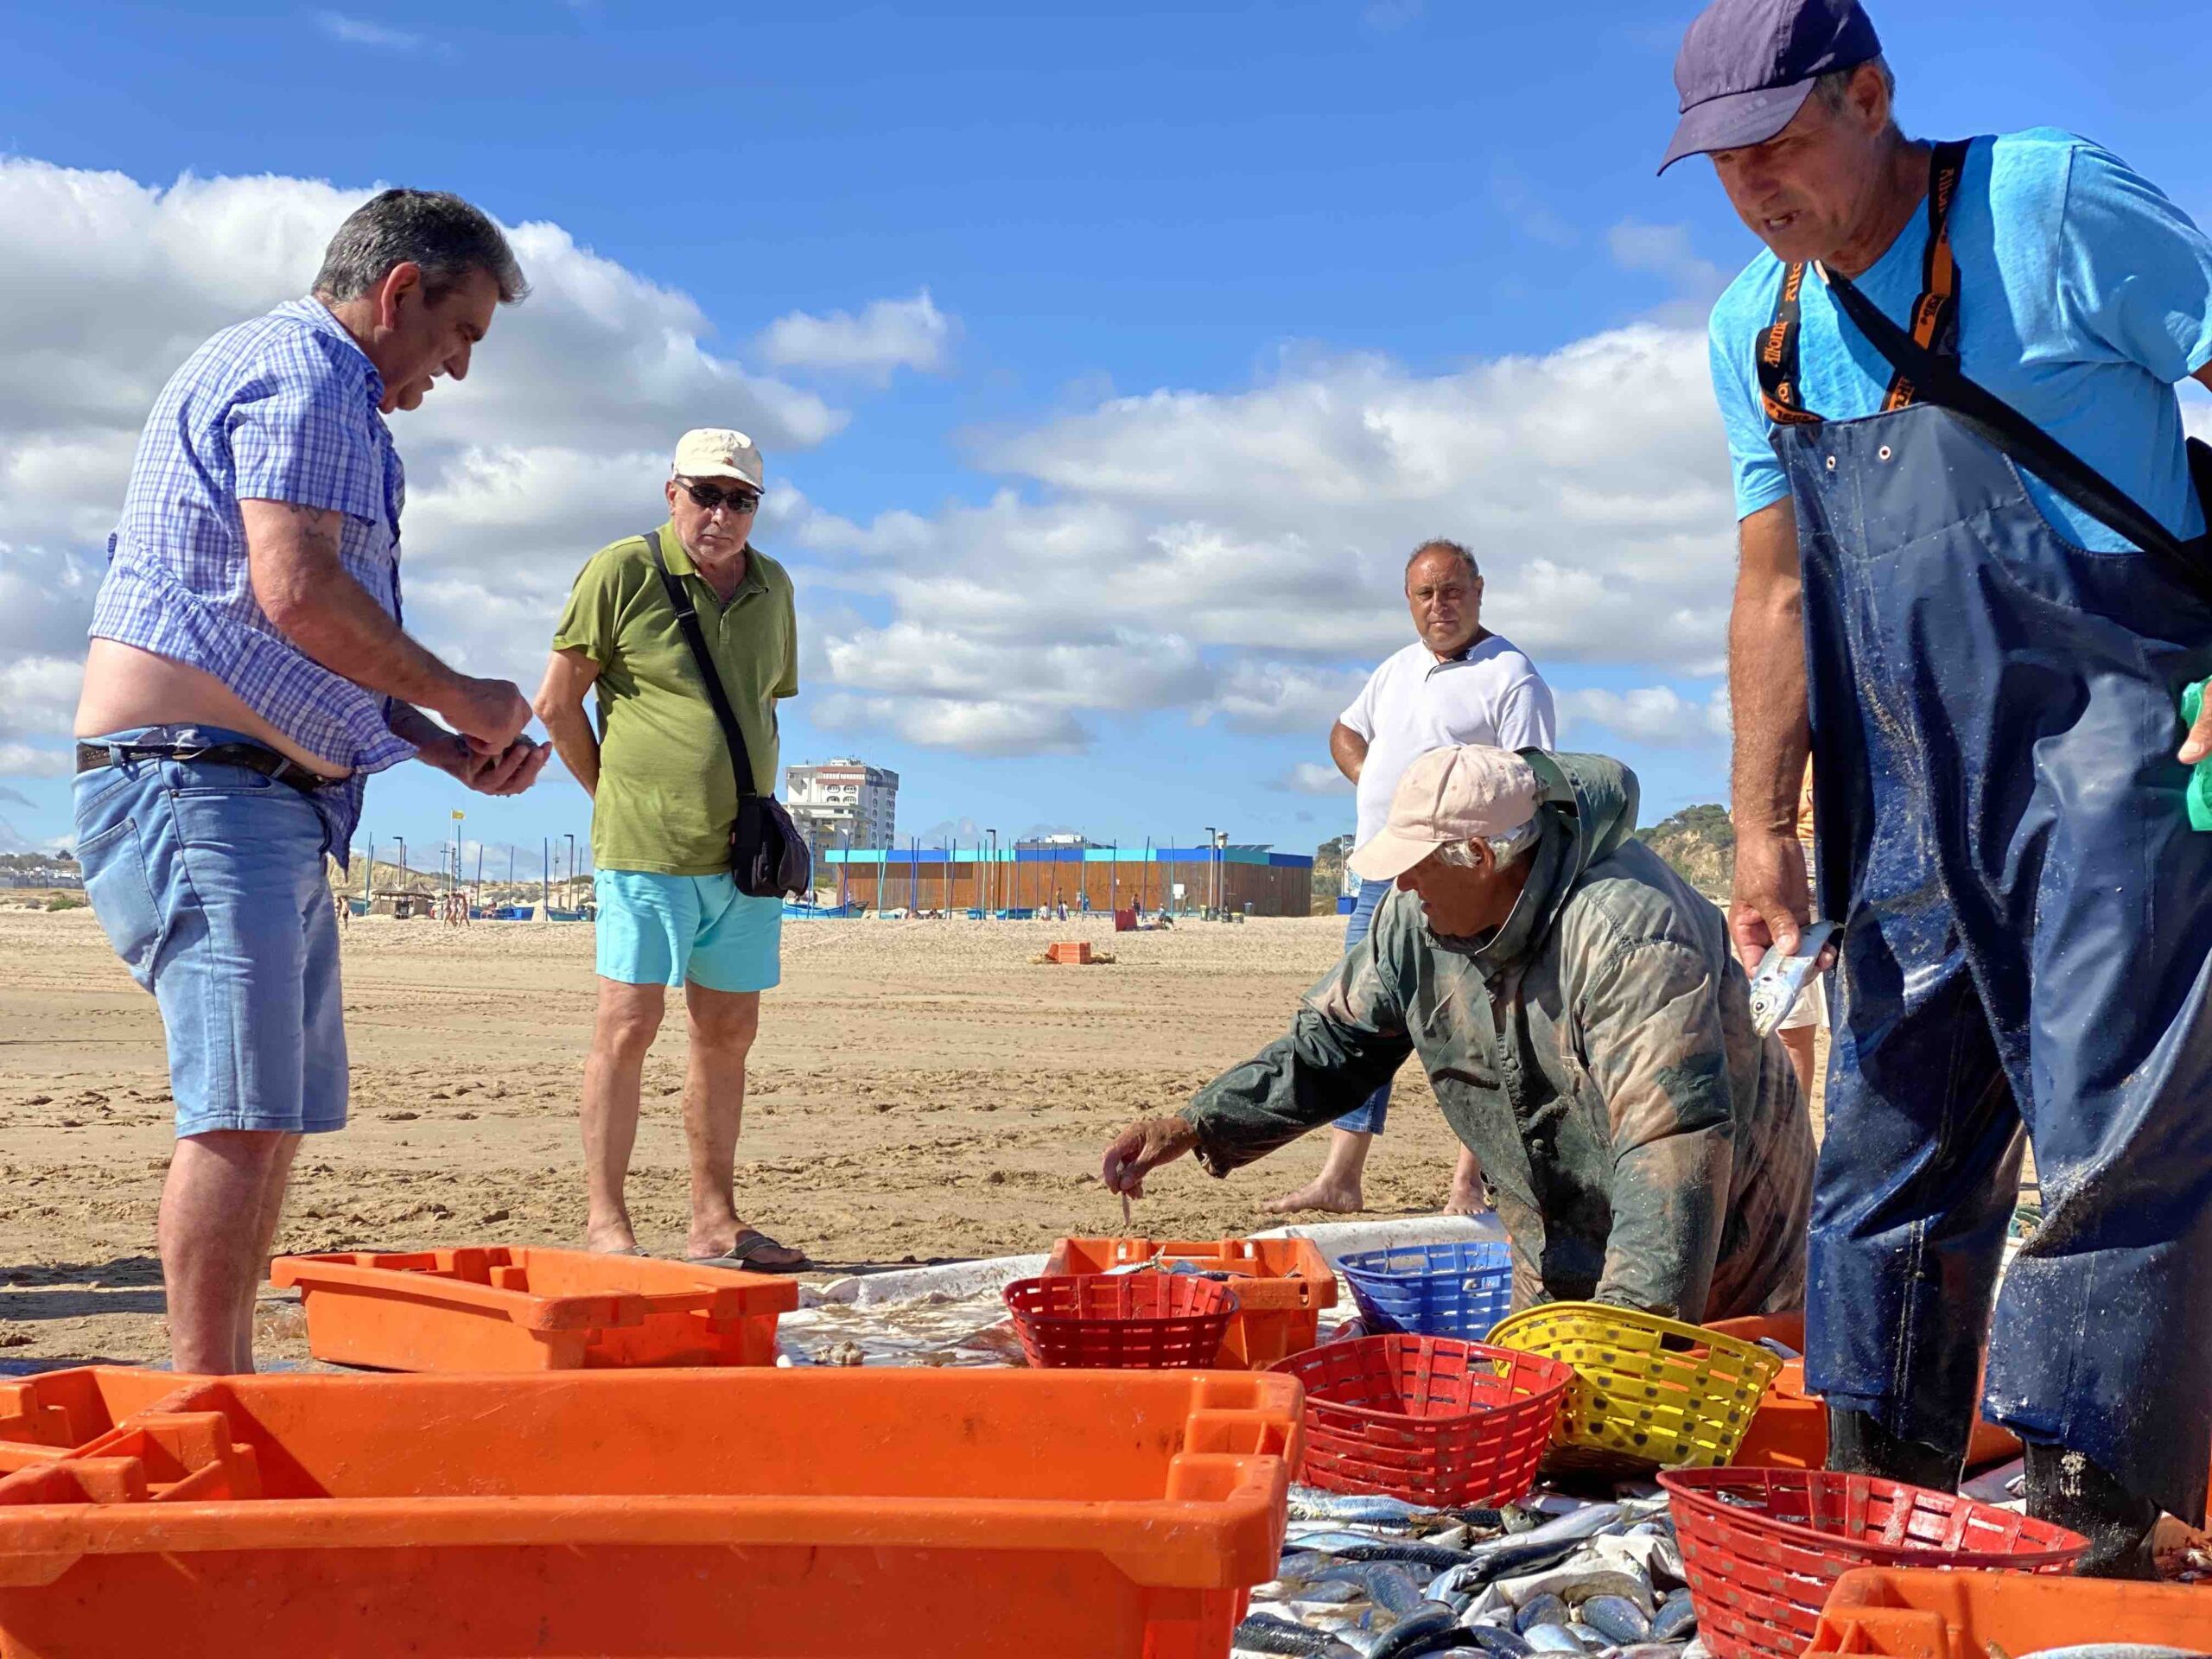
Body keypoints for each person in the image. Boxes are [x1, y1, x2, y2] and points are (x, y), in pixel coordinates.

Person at [1671, 0, 2212, 1568]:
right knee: (1887, 1149)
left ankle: (2094, 1526)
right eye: (1723, 163)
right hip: (1906, 788)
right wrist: (1764, 826)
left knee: (2114, 1139)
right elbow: (1773, 586)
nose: (1759, 186)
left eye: (1782, 141)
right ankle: (1876, 1501)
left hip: (2115, 743)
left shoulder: (2041, 202)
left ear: (1873, 95)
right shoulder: (1755, 332)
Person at [70, 188, 546, 1375]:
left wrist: (435, 744)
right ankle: (210, 1395)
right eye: (461, 333)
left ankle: (223, 1382)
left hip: (251, 793)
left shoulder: (325, 394)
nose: (459, 369)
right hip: (196, 787)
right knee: (238, 1113)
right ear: (400, 292)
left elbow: (291, 636)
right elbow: (297, 592)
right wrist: (460, 695)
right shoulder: (312, 374)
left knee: (268, 1117)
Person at [1105, 745, 1814, 1324]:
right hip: (1558, 1242)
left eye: (1416, 866)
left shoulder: (1628, 935)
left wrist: (1621, 1338)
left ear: (1481, 856)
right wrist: (1197, 1123)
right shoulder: (1417, 921)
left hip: (1729, 1253)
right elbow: (1331, 1049)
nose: (1404, 886)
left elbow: (1671, 1151)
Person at [535, 429, 807, 1271]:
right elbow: (556, 703)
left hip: (743, 861)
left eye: (740, 500)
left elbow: (764, 706)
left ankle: (715, 1220)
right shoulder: (622, 571)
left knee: (727, 1031)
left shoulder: (773, 587)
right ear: (671, 493)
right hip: (645, 851)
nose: (720, 514)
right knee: (627, 1023)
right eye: (705, 494)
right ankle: (606, 1223)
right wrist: (613, 796)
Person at [1268, 538, 1556, 1219]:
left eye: (1453, 591)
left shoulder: (1510, 675)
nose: (1440, 606)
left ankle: (1471, 1179)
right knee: (1360, 1020)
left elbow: (1531, 782)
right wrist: (1372, 777)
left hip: (1462, 882)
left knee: (1479, 1027)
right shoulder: (1397, 670)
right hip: (1381, 876)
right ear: (1409, 602)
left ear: (1479, 591)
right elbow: (1344, 729)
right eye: (1425, 595)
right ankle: (1341, 1175)